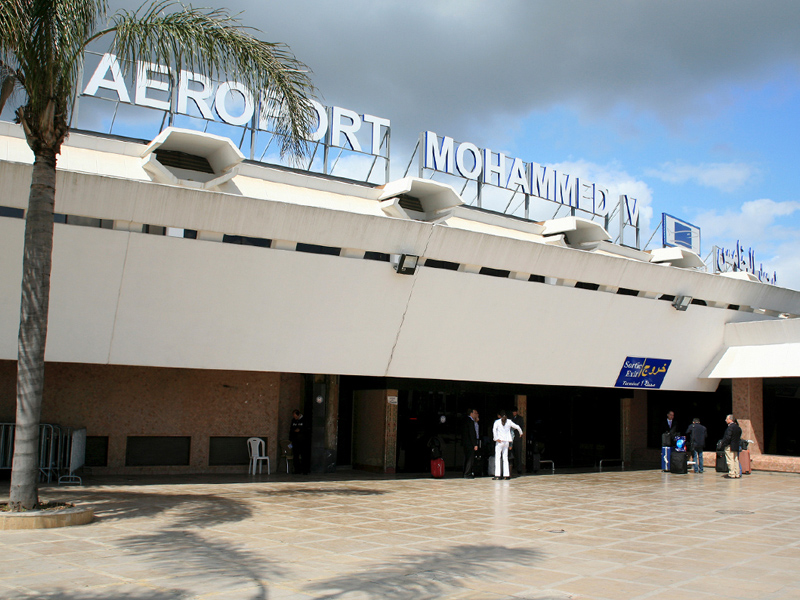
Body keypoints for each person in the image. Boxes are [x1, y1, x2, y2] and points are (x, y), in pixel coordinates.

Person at [492, 410, 523, 480]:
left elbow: (494, 430)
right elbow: (517, 426)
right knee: (505, 458)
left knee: (498, 458)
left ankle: (497, 475)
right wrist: (521, 433)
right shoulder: (509, 421)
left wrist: (496, 438)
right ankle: (506, 475)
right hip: (506, 441)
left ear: (500, 416)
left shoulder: (497, 422)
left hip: (499, 441)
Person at [719, 414, 742, 479]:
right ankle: (737, 473)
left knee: (730, 460)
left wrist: (724, 444)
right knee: (735, 459)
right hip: (736, 445)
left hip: (730, 446)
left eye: (727, 419)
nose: (725, 420)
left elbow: (728, 437)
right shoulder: (738, 428)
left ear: (730, 419)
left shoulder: (730, 428)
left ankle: (732, 474)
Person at [289, 409, 310, 474]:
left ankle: (305, 470)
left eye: (296, 416)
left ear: (299, 415)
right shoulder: (293, 421)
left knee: (304, 455)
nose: (295, 418)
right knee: (296, 455)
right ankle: (297, 470)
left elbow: (307, 429)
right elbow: (291, 429)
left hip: (303, 441)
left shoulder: (304, 420)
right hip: (295, 441)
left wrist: (300, 430)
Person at [462, 409, 480, 478]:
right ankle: (467, 473)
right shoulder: (470, 421)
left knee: (466, 457)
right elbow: (472, 434)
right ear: (471, 413)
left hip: (465, 443)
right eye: (475, 413)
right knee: (470, 458)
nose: (476, 414)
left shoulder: (465, 420)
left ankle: (465, 471)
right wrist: (475, 444)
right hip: (470, 443)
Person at [510, 407, 525, 475]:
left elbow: (521, 427)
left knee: (518, 454)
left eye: (515, 412)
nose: (514, 413)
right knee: (511, 454)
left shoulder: (520, 418)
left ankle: (519, 469)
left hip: (517, 439)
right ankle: (512, 468)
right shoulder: (510, 419)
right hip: (511, 438)